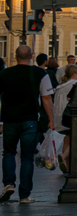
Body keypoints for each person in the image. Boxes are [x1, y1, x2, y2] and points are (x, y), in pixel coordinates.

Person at [0, 45, 48, 203]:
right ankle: (25, 195)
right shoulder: (40, 73)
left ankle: (8, 183)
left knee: (8, 153)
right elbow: (46, 99)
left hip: (9, 120)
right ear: (32, 56)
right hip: (30, 120)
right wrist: (52, 120)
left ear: (15, 57)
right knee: (27, 158)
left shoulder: (4, 74)